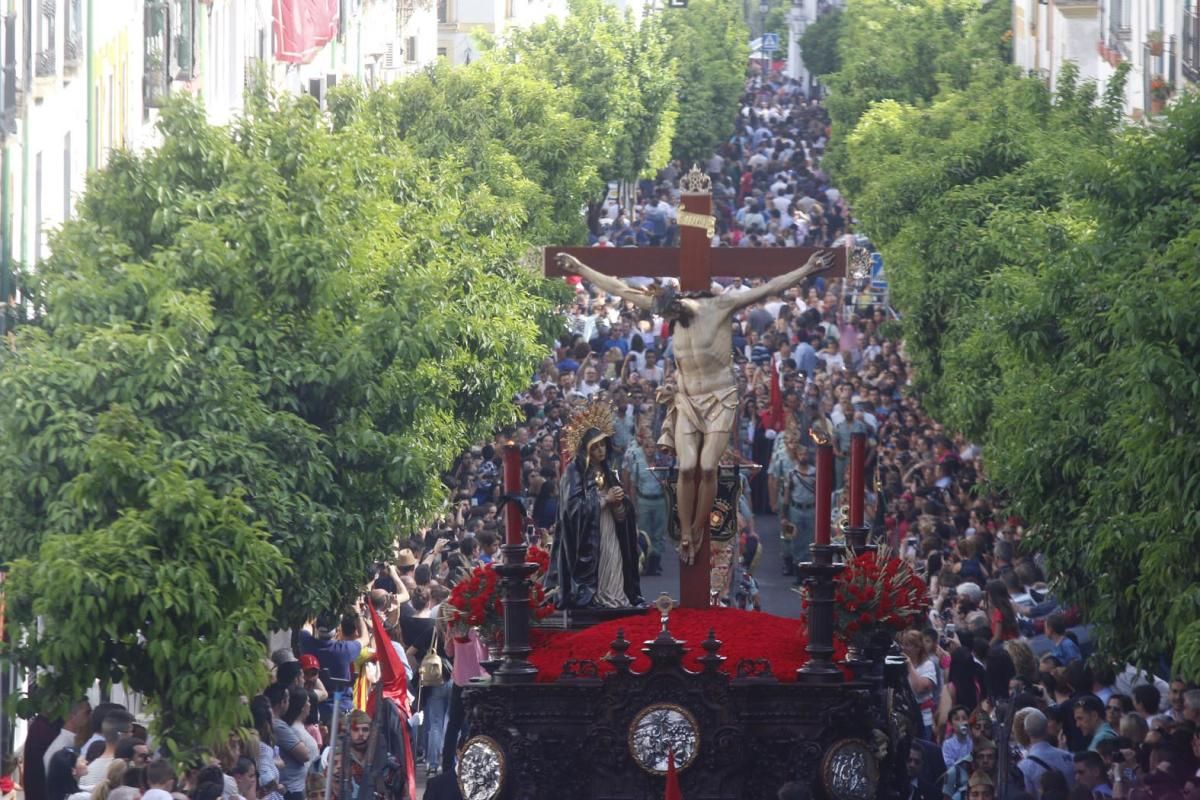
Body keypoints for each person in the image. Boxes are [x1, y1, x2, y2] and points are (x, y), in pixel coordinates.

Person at [556, 249, 831, 564]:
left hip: (720, 396)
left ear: (682, 301)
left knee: (707, 466)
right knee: (686, 469)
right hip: (687, 398)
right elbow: (619, 288)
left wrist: (807, 268)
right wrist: (581, 268)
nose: (666, 318)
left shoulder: (721, 305)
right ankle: (686, 531)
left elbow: (769, 288)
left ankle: (699, 528)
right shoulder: (670, 309)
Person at [550, 417, 644, 609]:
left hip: (609, 526)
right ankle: (597, 597)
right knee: (600, 561)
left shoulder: (608, 470)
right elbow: (572, 509)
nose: (601, 451)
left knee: (614, 558)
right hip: (588, 534)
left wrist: (619, 502)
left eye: (603, 445)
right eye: (595, 447)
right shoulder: (574, 472)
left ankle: (617, 596)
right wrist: (604, 500)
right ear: (585, 449)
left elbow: (622, 513)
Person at [1020, 709, 1075, 797]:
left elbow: (1028, 795)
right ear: (1046, 728)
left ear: (1026, 732)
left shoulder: (1024, 767)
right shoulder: (1069, 757)